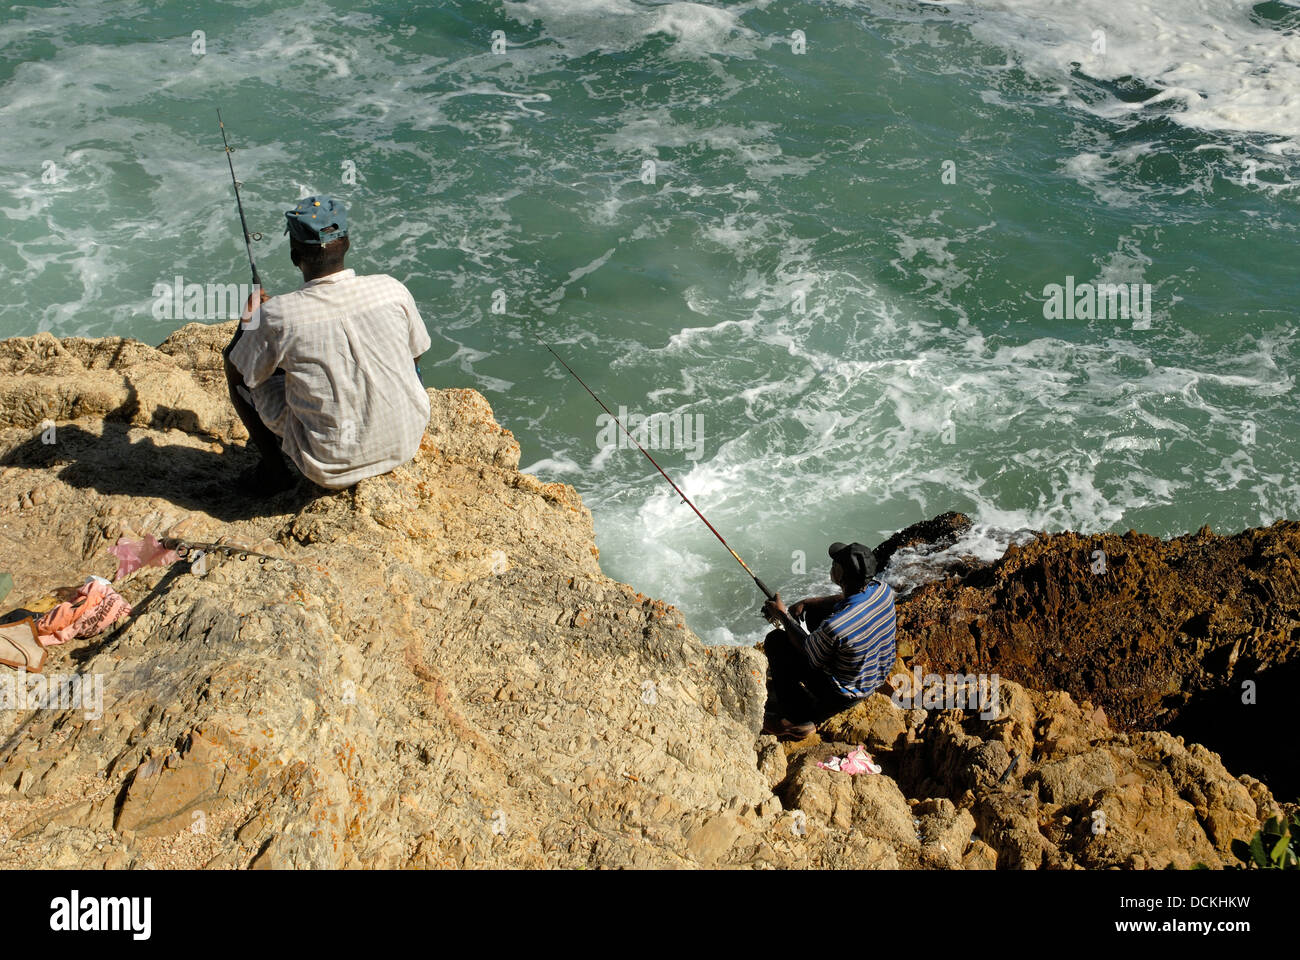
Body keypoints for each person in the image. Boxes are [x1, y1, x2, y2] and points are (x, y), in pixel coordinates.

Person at [223, 194, 431, 492]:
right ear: (346, 244)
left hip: (329, 465)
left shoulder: (276, 315)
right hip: (406, 441)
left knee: (239, 371)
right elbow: (415, 358)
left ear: (295, 256)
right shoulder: (391, 290)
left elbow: (241, 367)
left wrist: (248, 326)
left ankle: (273, 471)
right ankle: (387, 425)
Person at [760, 541, 897, 740]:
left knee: (776, 642)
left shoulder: (835, 627)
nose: (831, 566)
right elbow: (845, 600)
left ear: (840, 574)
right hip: (873, 676)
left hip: (844, 695)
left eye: (835, 564)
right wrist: (807, 603)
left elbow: (808, 652)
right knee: (815, 613)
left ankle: (796, 718)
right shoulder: (882, 590)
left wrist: (782, 615)